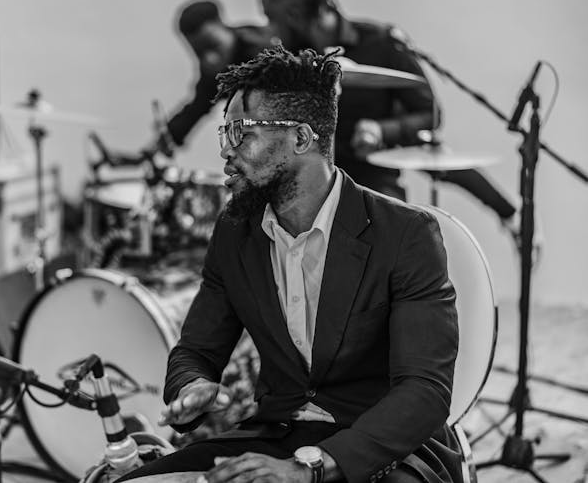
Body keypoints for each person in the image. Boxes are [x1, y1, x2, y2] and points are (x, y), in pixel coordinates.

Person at [117, 46, 463, 483]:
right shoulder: (235, 230)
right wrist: (191, 386)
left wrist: (309, 468)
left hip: (384, 449)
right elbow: (197, 351)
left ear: (301, 138)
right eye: (225, 133)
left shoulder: (405, 233)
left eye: (241, 132)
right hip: (277, 432)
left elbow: (425, 391)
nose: (226, 150)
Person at [259, 0, 538, 255]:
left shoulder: (382, 44)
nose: (268, 26)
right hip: (311, 177)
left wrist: (382, 131)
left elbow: (430, 114)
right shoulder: (288, 54)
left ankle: (513, 216)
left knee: (390, 231)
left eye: (272, 15)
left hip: (373, 174)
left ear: (296, 12)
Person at [143, 0, 275, 156]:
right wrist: (155, 146)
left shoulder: (266, 53)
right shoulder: (217, 72)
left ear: (224, 26)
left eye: (213, 46)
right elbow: (196, 108)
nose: (209, 59)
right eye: (198, 53)